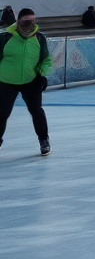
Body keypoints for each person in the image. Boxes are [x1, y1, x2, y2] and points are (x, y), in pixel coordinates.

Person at [0, 9, 52, 158]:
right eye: (26, 21)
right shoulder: (5, 37)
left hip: (31, 81)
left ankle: (44, 140)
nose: (30, 25)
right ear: (18, 22)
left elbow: (45, 60)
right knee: (2, 113)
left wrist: (43, 75)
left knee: (36, 111)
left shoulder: (39, 38)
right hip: (6, 81)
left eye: (32, 21)